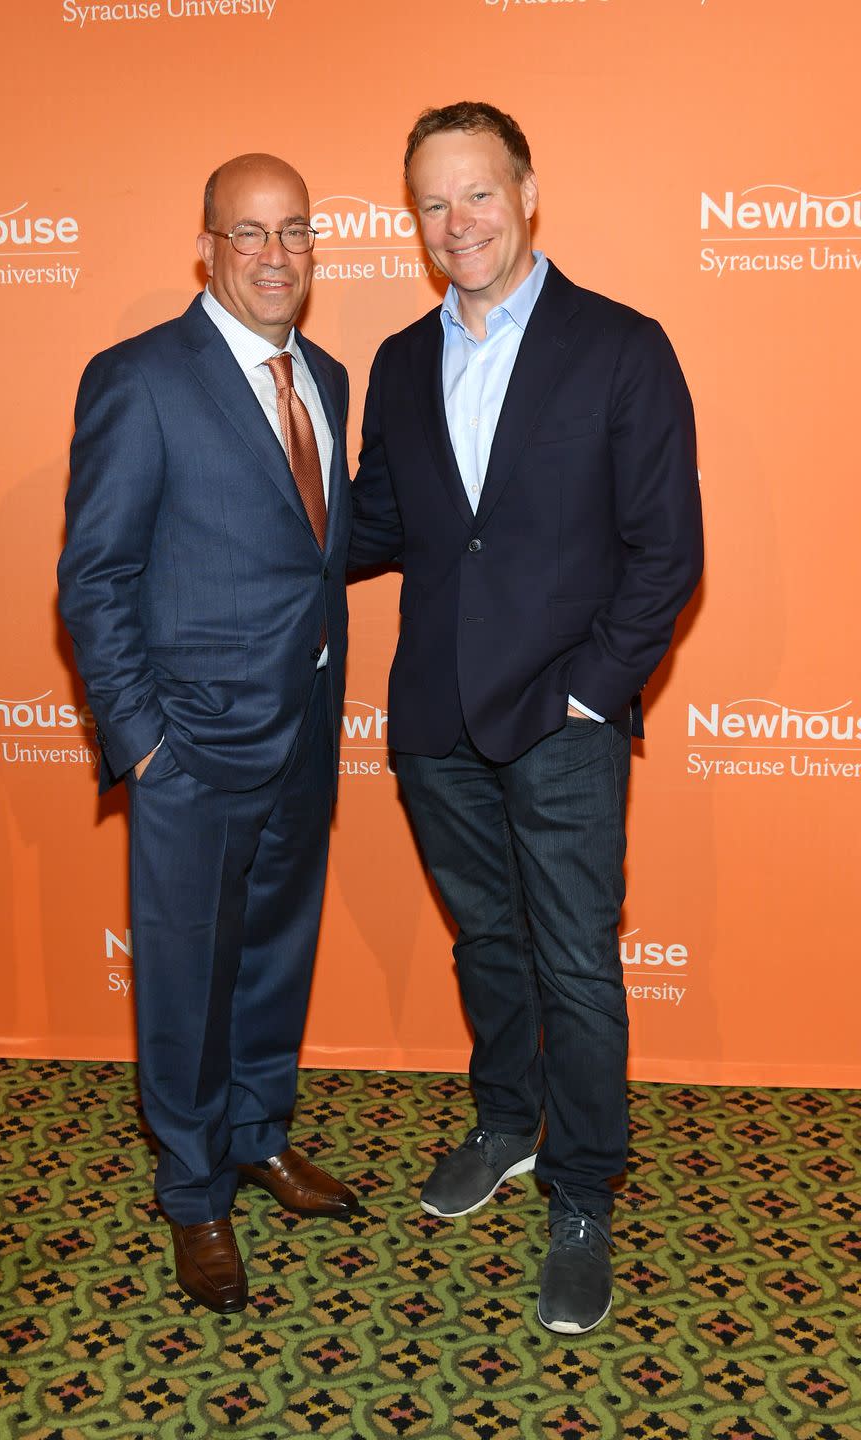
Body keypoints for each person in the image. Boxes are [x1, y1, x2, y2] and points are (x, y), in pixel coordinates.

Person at [350, 102, 703, 1335]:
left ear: (529, 190)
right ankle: (506, 1118)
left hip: (563, 713)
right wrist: (243, 515)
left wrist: (593, 691)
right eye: (435, 204)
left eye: (479, 195)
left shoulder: (621, 345)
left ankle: (584, 1188)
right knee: (485, 944)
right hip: (436, 712)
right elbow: (380, 525)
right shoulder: (398, 360)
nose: (459, 224)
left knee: (574, 962)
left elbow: (668, 550)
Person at [58, 153, 357, 1316]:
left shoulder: (325, 374)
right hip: (189, 747)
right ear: (208, 246)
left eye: (293, 232)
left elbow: (310, 550)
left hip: (307, 732)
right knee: (186, 979)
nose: (274, 256)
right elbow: (94, 576)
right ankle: (193, 1193)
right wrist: (141, 743)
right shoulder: (139, 379)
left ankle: (255, 1134)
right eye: (249, 234)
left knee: (276, 955)